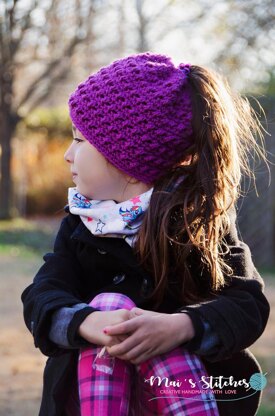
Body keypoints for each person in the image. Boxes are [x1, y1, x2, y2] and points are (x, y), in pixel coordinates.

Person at [21, 52, 270, 416]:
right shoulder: (82, 222)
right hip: (88, 396)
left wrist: (183, 326)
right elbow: (42, 296)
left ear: (126, 158)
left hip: (180, 388)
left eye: (79, 140)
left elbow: (248, 303)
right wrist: (88, 321)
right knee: (110, 305)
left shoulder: (198, 222)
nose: (67, 156)